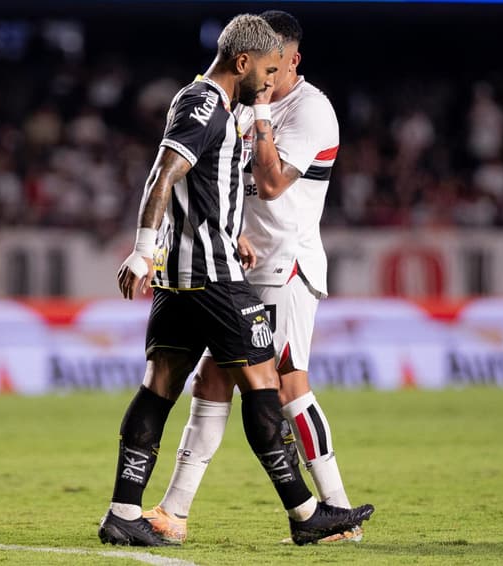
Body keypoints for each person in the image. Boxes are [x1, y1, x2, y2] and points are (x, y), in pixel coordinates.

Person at [97, 13, 374, 548]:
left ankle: (138, 510)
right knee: (265, 383)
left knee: (210, 382)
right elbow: (170, 174)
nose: (268, 81)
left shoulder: (306, 108)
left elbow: (247, 185)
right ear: (245, 62)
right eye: (263, 70)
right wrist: (144, 249)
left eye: (277, 69)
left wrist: (221, 230)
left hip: (270, 261)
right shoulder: (215, 103)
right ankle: (310, 513)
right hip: (218, 273)